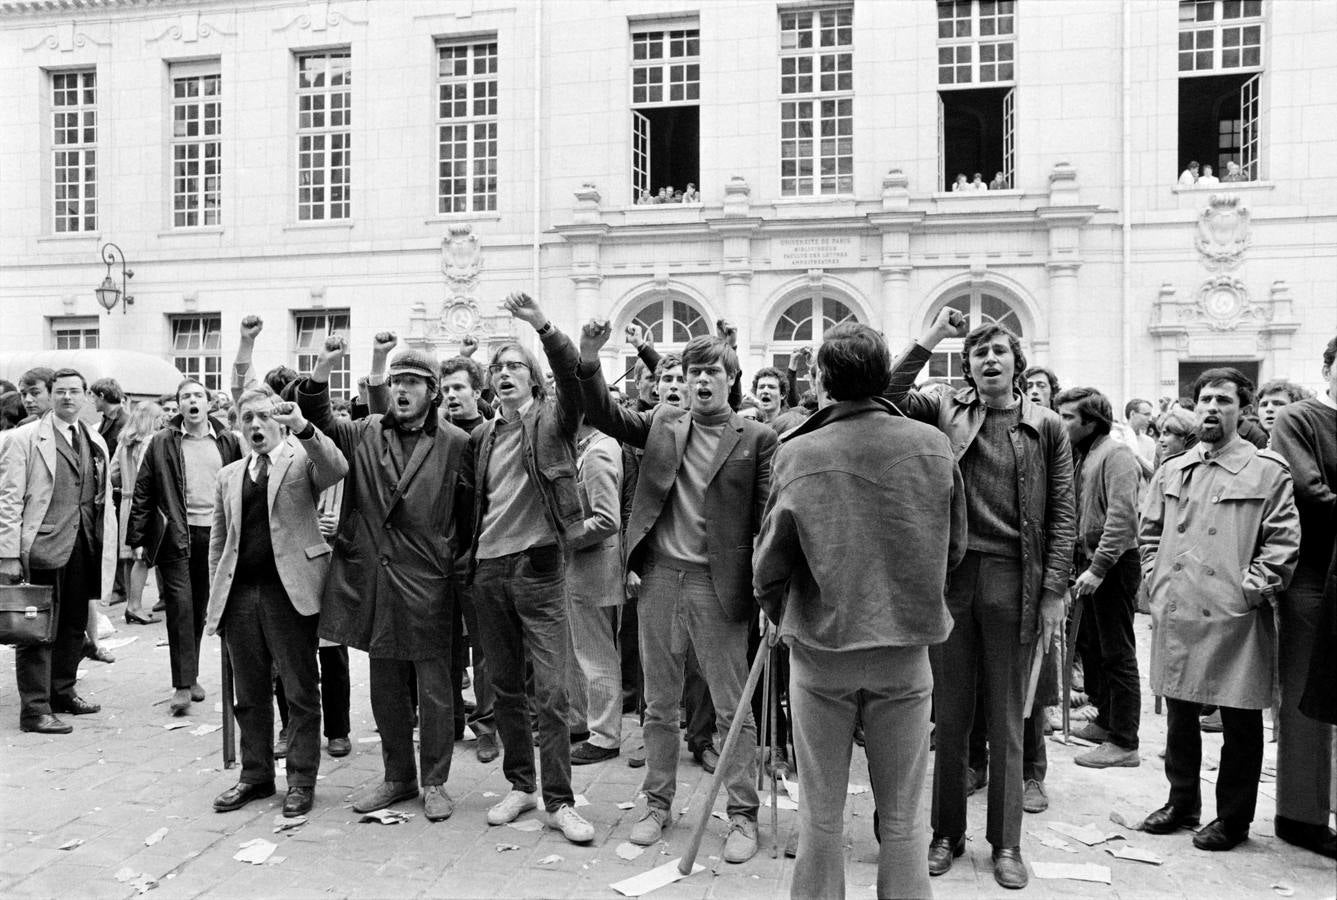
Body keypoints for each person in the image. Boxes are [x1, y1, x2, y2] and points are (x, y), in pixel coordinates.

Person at [754, 323, 966, 899]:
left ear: (823, 380)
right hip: (905, 649)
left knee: (820, 816)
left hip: (822, 651)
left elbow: (770, 561)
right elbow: (956, 547)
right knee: (901, 819)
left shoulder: (798, 451)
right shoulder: (932, 445)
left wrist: (780, 611)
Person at [575, 318, 776, 864]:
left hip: (720, 587)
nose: (702, 380)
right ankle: (655, 802)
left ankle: (741, 814)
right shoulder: (665, 421)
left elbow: (766, 517)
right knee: (659, 704)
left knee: (733, 705)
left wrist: (769, 593)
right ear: (682, 380)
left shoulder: (757, 436)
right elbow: (602, 413)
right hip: (660, 577)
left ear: (732, 379)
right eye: (693, 372)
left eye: (713, 371)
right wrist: (589, 359)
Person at [887, 310, 1075, 890]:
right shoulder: (946, 409)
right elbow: (889, 393)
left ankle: (1007, 844)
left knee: (1008, 719)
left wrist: (1053, 591)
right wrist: (931, 337)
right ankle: (945, 834)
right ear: (966, 367)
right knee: (949, 715)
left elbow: (1063, 512)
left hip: (1017, 579)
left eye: (999, 351)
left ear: (1018, 362)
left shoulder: (1047, 425)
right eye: (978, 353)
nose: (989, 360)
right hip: (954, 574)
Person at [298, 332, 469, 824]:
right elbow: (318, 419)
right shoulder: (366, 430)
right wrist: (324, 366)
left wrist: (449, 563)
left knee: (436, 690)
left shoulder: (456, 443)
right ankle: (398, 776)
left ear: (433, 391)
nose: (402, 389)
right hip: (375, 578)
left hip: (429, 580)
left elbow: (467, 513)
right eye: (396, 380)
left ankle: (435, 781)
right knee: (385, 685)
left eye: (413, 382)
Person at [1139, 367, 1300, 851]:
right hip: (1179, 611)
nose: (1212, 407)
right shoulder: (1173, 469)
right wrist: (1156, 580)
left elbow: (1282, 543)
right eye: (1205, 399)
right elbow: (1148, 534)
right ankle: (1182, 801)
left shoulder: (1268, 470)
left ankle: (1233, 819)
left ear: (1242, 409)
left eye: (1223, 400)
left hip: (1235, 618)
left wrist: (1250, 592)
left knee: (1240, 720)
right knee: (1180, 714)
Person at [462, 293, 595, 844]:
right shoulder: (483, 436)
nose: (505, 373)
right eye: (498, 368)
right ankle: (521, 785)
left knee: (553, 692)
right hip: (489, 571)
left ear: (534, 381)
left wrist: (543, 326)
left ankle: (560, 801)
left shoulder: (553, 420)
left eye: (516, 366)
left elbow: (574, 380)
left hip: (539, 568)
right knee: (505, 688)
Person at [206, 390, 347, 817]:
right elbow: (219, 541)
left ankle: (301, 780)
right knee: (248, 693)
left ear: (279, 421)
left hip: (291, 595)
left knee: (300, 690)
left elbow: (337, 466)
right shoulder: (230, 475)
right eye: (247, 418)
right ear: (238, 424)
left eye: (264, 416)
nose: (255, 425)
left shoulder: (300, 460)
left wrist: (304, 426)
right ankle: (256, 775)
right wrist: (218, 596)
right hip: (241, 595)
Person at [0, 368, 117, 733]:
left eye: (75, 392)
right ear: (51, 395)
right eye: (61, 391)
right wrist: (7, 554)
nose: (68, 398)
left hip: (84, 545)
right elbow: (8, 500)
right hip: (42, 546)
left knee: (71, 626)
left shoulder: (94, 439)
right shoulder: (23, 439)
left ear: (85, 397)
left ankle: (62, 691)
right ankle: (35, 710)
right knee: (36, 630)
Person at [128, 378, 243, 715]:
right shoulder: (161, 442)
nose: (192, 401)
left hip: (217, 536)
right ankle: (181, 685)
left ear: (209, 404)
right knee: (179, 605)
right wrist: (137, 539)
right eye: (185, 397)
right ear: (178, 405)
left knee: (200, 608)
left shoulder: (227, 440)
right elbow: (144, 490)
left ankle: (191, 675)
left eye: (198, 396)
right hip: (176, 533)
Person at [1267, 336, 1337, 859]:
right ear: (1328, 368)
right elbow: (1310, 493)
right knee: (1305, 697)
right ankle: (1301, 815)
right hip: (1314, 574)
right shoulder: (1299, 419)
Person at [1055, 387, 1143, 768]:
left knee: (1118, 653)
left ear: (1091, 422)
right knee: (1094, 648)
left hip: (1114, 566)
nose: (1061, 424)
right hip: (1091, 566)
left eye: (1069, 418)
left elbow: (1122, 519)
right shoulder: (1084, 455)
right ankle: (1106, 721)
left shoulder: (1116, 454)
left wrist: (1098, 568)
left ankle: (1125, 741)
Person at [438, 354, 498, 763]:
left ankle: (488, 725)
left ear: (477, 392)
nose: (451, 396)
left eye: (458, 388)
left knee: (485, 645)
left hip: (478, 554)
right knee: (444, 645)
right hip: (438, 554)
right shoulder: (433, 435)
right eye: (444, 390)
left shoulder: (491, 434)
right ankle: (449, 721)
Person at [565, 420, 625, 765]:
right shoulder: (587, 447)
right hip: (585, 570)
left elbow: (606, 520)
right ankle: (581, 722)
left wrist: (561, 536)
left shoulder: (599, 451)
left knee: (595, 654)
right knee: (579, 650)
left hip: (593, 570)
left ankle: (604, 737)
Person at [111, 401, 164, 625]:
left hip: (126, 500)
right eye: (159, 417)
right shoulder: (150, 441)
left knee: (130, 557)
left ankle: (131, 603)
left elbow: (113, 473)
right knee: (144, 557)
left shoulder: (124, 442)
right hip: (144, 503)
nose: (163, 421)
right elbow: (149, 476)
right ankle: (135, 606)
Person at [1113, 398, 1156, 478]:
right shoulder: (1116, 437)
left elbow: (1152, 473)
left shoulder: (1149, 441)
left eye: (1150, 415)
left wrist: (1137, 455)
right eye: (1146, 414)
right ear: (1132, 414)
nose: (1150, 419)